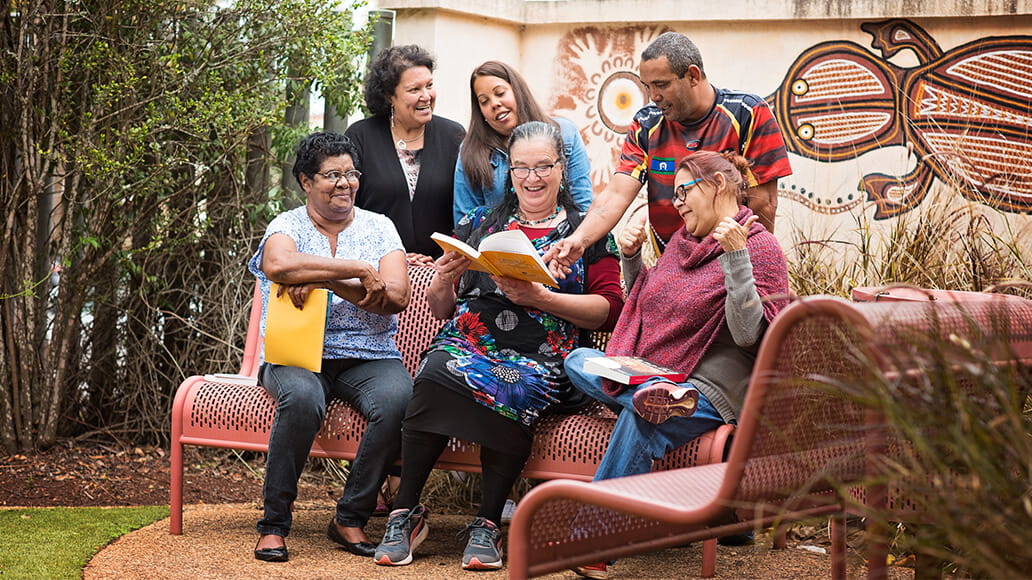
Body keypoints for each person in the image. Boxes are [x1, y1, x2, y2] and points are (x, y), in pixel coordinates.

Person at [372, 121, 624, 570]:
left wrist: (542, 298)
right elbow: (441, 310)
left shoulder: (586, 233)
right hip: (471, 340)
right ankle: (404, 512)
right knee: (434, 373)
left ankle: (487, 522)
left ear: (561, 169)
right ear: (509, 170)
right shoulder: (481, 223)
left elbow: (611, 309)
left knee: (515, 384)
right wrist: (444, 279)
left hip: (542, 354)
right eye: (521, 167)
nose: (532, 178)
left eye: (543, 166)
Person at [563, 151, 790, 579]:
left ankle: (594, 539)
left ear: (718, 186)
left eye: (684, 191)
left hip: (713, 391)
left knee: (644, 417)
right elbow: (649, 308)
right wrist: (632, 259)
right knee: (579, 360)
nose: (677, 203)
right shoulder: (683, 243)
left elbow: (748, 335)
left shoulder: (760, 246)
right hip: (662, 376)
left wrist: (736, 259)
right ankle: (656, 394)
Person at [249, 132, 412, 563]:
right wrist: (356, 271)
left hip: (368, 352)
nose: (345, 183)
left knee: (399, 399)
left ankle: (350, 516)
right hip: (297, 353)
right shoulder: (286, 226)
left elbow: (395, 295)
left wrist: (318, 277)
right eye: (332, 175)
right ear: (305, 180)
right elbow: (278, 264)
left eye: (351, 173)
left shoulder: (379, 227)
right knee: (302, 399)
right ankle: (273, 523)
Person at [545, 31, 792, 278]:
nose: (654, 97)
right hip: (672, 272)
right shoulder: (646, 123)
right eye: (647, 86)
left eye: (661, 85)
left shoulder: (748, 112)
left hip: (731, 268)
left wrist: (756, 270)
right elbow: (616, 194)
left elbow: (764, 204)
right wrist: (579, 239)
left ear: (693, 76)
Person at [345, 44, 465, 264]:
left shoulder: (454, 136)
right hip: (376, 266)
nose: (426, 96)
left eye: (429, 85)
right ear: (390, 96)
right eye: (414, 90)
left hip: (441, 270)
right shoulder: (360, 136)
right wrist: (394, 258)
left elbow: (466, 210)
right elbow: (347, 210)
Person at [453, 60, 594, 223]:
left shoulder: (565, 133)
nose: (495, 104)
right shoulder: (471, 150)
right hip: (496, 246)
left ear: (518, 91)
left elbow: (582, 205)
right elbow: (465, 222)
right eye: (484, 101)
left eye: (500, 93)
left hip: (562, 243)